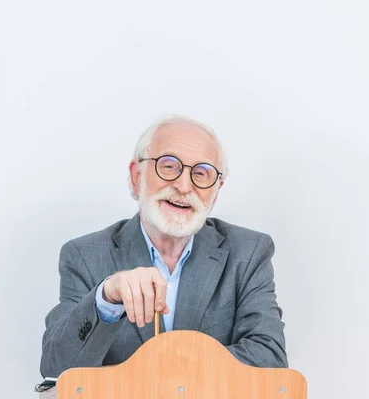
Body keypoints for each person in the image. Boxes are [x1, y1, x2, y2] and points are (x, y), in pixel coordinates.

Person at [40, 115, 288, 378]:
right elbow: (57, 370)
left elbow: (269, 360)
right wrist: (107, 298)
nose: (183, 186)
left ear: (216, 191)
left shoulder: (248, 252)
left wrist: (162, 368)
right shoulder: (84, 256)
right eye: (169, 166)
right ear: (137, 176)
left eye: (201, 173)